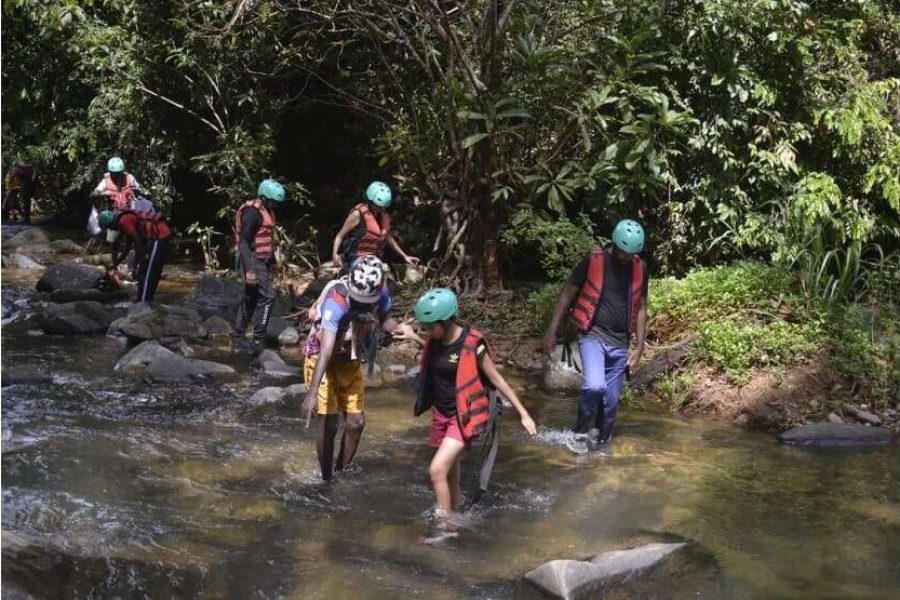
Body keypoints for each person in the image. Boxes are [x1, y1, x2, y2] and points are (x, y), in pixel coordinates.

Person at [413, 287, 537, 533]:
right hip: (442, 414)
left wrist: (523, 413)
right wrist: (411, 335)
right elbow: (435, 357)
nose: (426, 332)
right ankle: (455, 513)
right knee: (449, 472)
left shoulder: (472, 345)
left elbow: (497, 379)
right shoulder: (435, 340)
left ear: (446, 321)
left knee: (436, 471)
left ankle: (445, 528)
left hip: (463, 417)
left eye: (430, 327)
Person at [300, 255, 422, 481]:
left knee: (356, 423)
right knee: (330, 424)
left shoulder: (381, 290)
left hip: (350, 357)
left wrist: (400, 328)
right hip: (322, 358)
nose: (363, 306)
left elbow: (385, 320)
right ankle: (327, 481)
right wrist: (311, 393)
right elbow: (326, 349)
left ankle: (340, 472)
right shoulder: (337, 299)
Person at [541, 219, 649, 449]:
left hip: (620, 342)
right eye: (624, 252)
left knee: (610, 405)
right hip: (593, 335)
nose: (628, 258)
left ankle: (602, 447)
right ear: (615, 244)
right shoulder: (594, 261)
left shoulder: (640, 268)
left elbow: (641, 308)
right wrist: (552, 332)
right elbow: (566, 295)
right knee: (594, 386)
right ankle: (580, 432)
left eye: (632, 254)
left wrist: (639, 346)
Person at [232, 178, 285, 353]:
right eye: (273, 202)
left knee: (251, 297)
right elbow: (244, 243)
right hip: (252, 259)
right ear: (264, 197)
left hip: (262, 260)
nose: (275, 206)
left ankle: (239, 338)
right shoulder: (252, 213)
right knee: (268, 296)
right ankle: (257, 338)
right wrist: (250, 270)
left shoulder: (265, 209)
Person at [331, 180, 420, 270]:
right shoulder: (357, 215)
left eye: (381, 207)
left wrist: (404, 256)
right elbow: (340, 235)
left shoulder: (382, 216)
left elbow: (387, 237)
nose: (379, 209)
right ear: (370, 201)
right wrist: (335, 253)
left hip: (374, 258)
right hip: (356, 257)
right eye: (376, 206)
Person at [98, 208, 172, 302]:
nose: (112, 230)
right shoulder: (125, 222)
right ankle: (146, 299)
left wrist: (138, 264)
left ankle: (143, 302)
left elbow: (139, 244)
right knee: (147, 272)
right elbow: (127, 249)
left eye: (110, 228)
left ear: (112, 223)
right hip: (159, 237)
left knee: (147, 274)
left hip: (159, 236)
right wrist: (115, 265)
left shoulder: (123, 221)